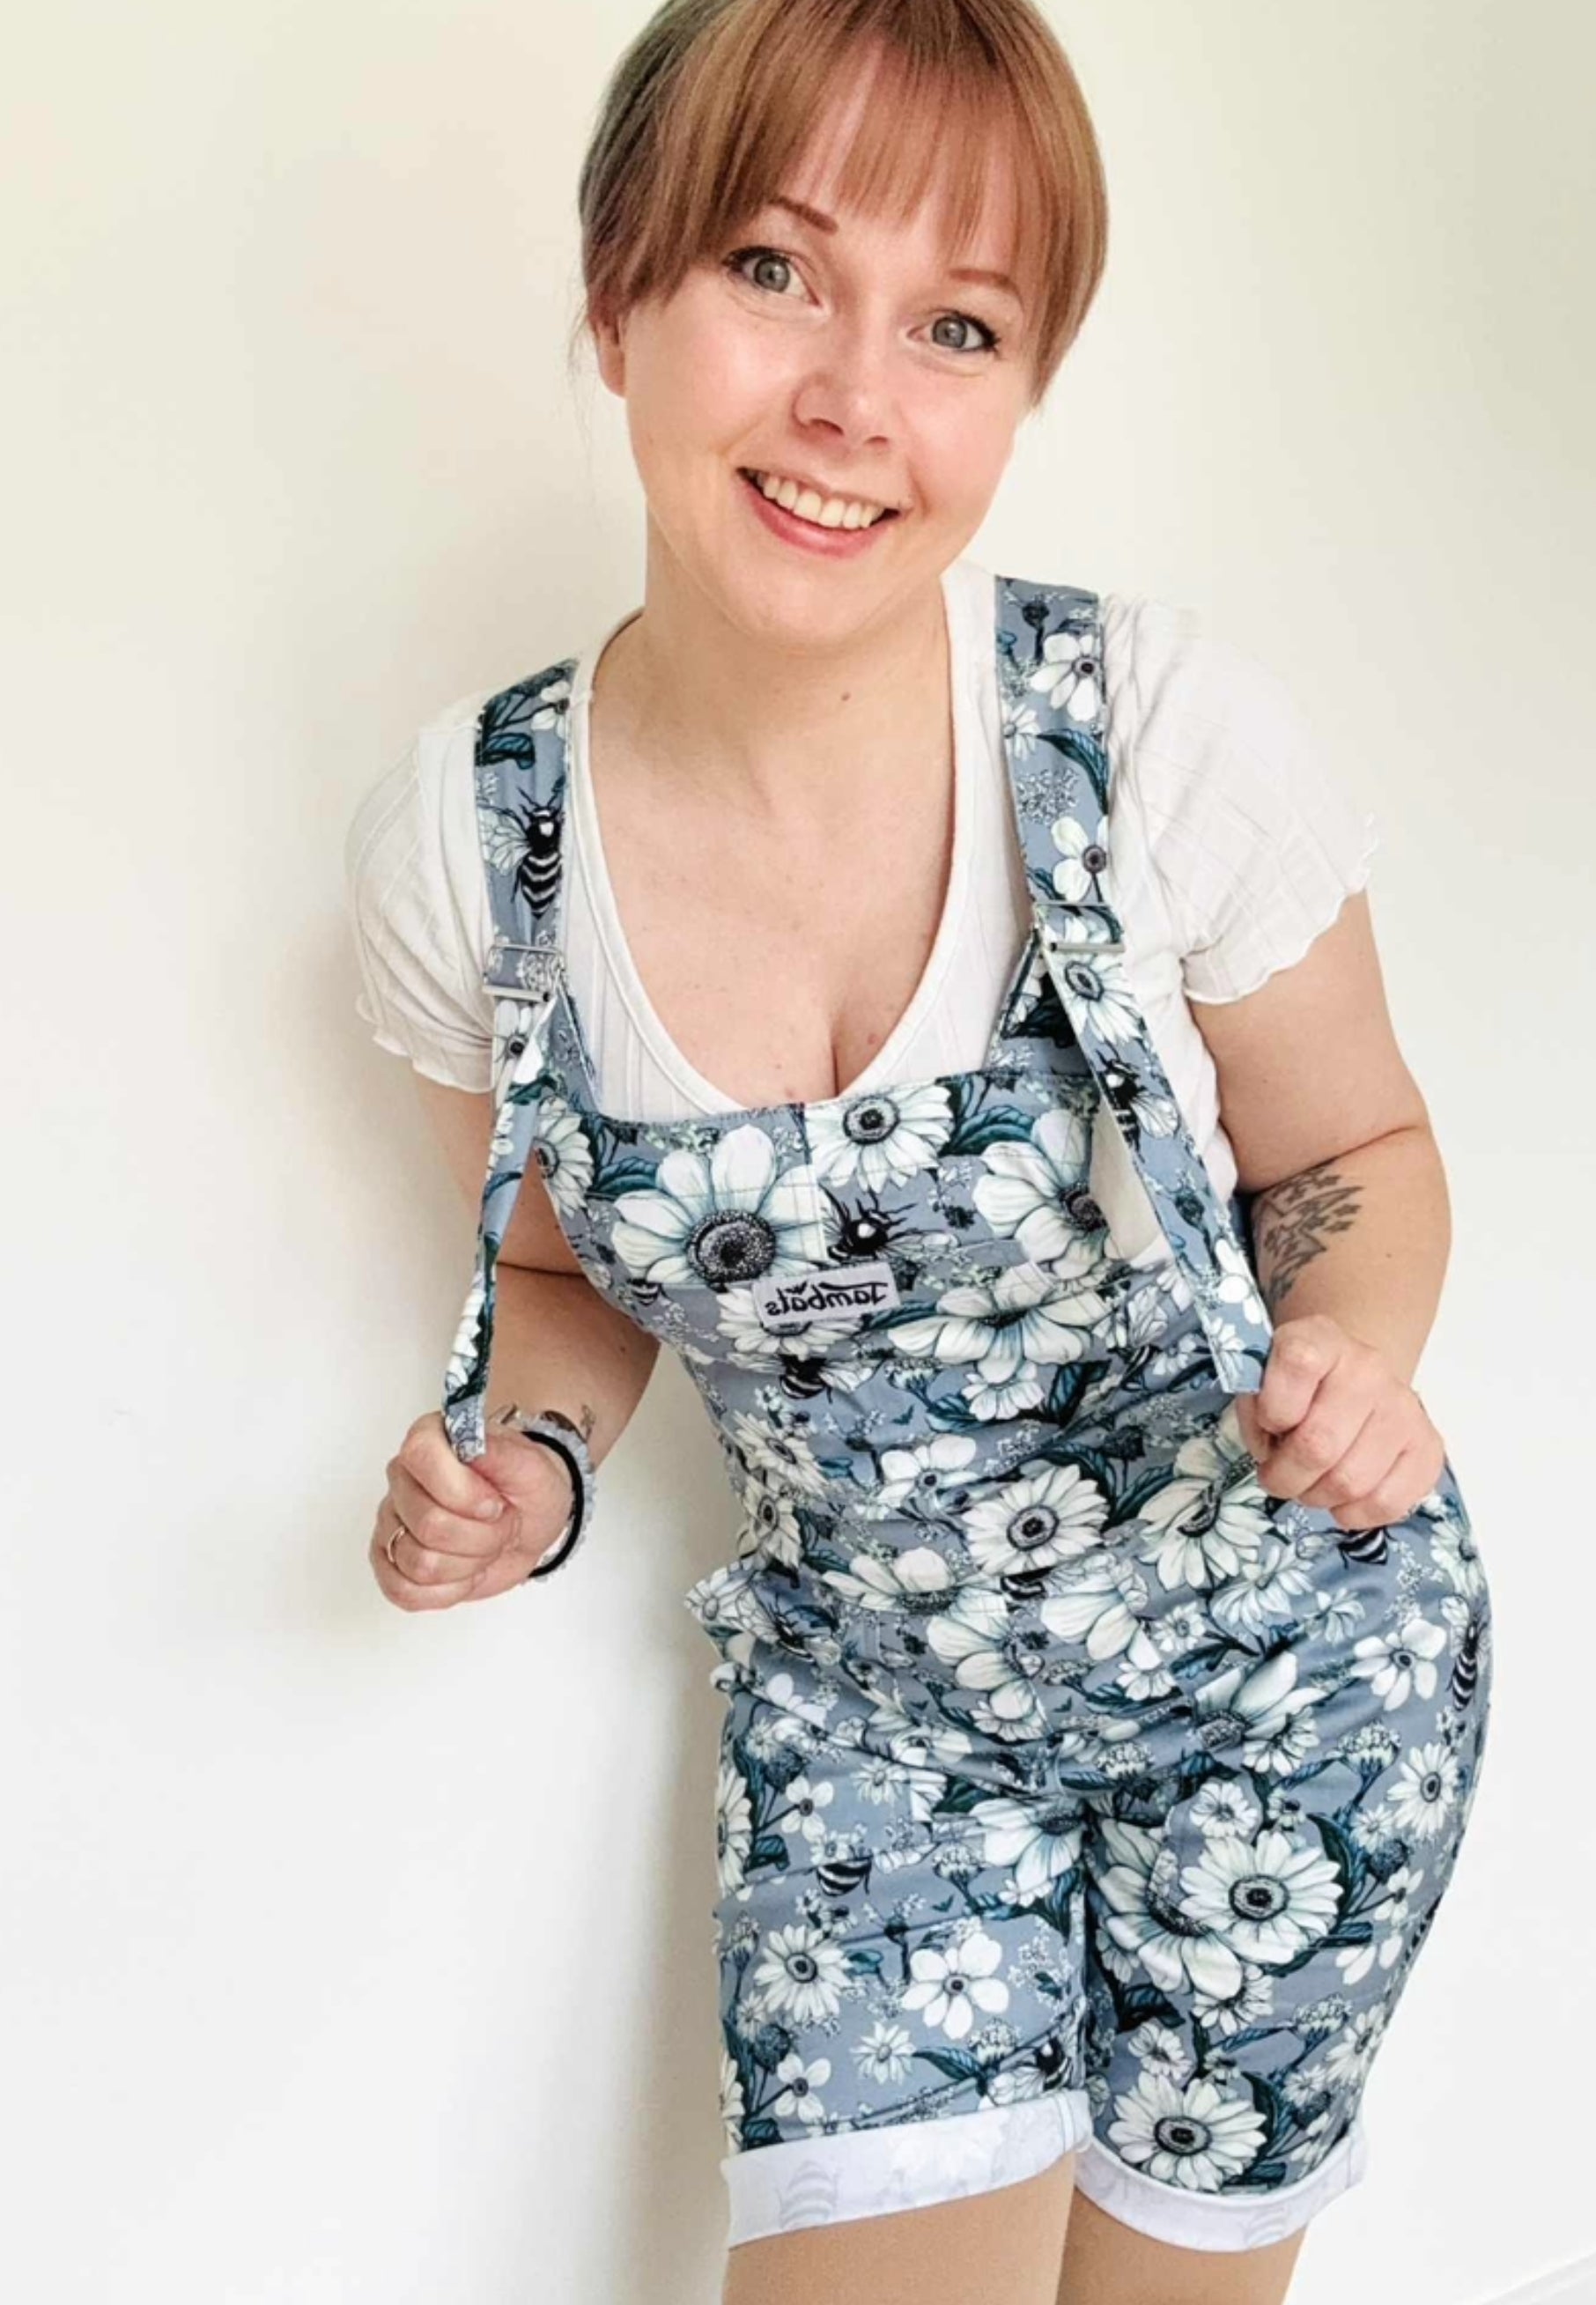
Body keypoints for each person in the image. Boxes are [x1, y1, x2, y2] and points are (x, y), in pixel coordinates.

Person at [343, 4, 1496, 2300]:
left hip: (1278, 1661)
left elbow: (1350, 1139)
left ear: (1017, 388)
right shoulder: (482, 860)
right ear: (615, 296)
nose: (853, 398)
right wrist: (531, 1464)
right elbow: (566, 1283)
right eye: (771, 270)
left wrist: (1353, 1342)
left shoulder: (1149, 734)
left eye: (953, 323)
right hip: (880, 1701)